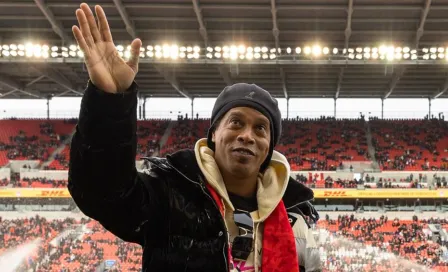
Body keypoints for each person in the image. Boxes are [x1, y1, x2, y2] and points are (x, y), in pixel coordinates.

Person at [68, 3, 321, 272]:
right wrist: (110, 103)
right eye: (236, 123)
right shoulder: (170, 194)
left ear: (270, 146)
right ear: (213, 133)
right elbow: (102, 194)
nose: (247, 136)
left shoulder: (295, 215)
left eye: (260, 128)